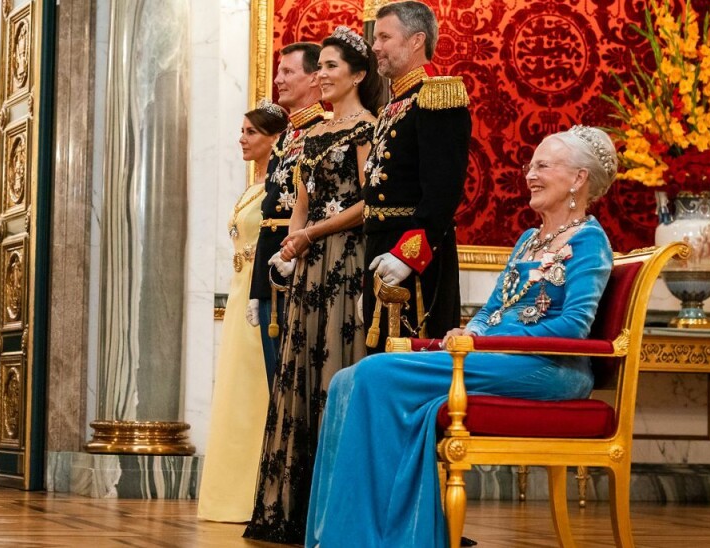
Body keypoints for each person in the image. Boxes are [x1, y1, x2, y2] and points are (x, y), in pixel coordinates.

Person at [305, 126, 619, 547]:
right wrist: (470, 332)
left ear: (578, 178)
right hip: (496, 357)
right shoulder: (529, 239)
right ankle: (368, 533)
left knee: (375, 375)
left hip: (549, 367)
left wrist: (487, 343)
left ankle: (366, 537)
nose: (530, 174)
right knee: (349, 379)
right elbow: (493, 310)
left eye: (543, 165)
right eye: (530, 165)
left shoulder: (590, 241)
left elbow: (574, 326)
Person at [244, 27, 383, 544]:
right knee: (296, 375)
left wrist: (311, 234)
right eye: (318, 67)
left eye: (330, 67)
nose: (320, 76)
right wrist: (289, 249)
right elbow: (301, 202)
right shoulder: (310, 135)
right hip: (308, 266)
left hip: (345, 263)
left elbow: (370, 203)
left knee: (332, 370)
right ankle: (291, 510)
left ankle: (335, 512)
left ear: (358, 75)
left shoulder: (367, 129)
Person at [361, 1, 472, 352]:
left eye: (384, 37)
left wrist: (409, 255)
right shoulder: (393, 107)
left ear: (415, 41)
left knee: (410, 361)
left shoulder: (437, 97)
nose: (375, 46)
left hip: (416, 258)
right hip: (381, 247)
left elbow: (443, 191)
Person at [198, 100, 289, 523]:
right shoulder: (255, 185)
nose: (242, 138)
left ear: (273, 138)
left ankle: (257, 493)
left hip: (262, 295)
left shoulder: (280, 185)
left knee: (257, 392)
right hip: (240, 296)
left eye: (251, 132)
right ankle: (228, 496)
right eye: (242, 130)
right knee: (235, 391)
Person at [247, 42, 327, 391]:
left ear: (314, 78)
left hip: (302, 265)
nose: (278, 79)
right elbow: (268, 218)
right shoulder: (285, 138)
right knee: (274, 383)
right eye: (279, 71)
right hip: (271, 270)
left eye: (288, 72)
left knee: (297, 385)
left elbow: (320, 206)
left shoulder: (323, 133)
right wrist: (256, 288)